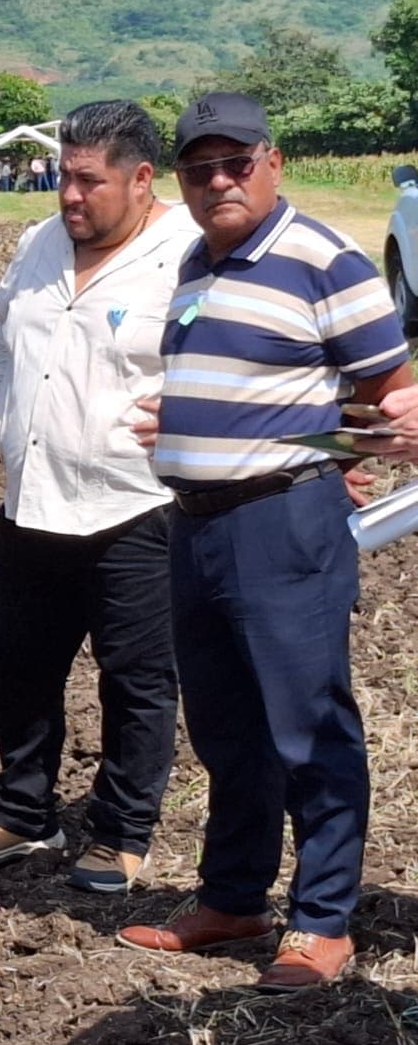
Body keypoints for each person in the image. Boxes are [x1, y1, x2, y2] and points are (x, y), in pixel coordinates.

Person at [118, 92, 414, 991]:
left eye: (236, 163)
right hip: (196, 524)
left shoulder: (325, 260)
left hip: (282, 524)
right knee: (225, 726)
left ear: (272, 163)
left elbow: (390, 402)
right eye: (200, 168)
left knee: (309, 724)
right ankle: (234, 898)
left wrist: (325, 455)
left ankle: (322, 921)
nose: (219, 182)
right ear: (180, 181)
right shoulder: (195, 265)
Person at [0, 101, 198, 893]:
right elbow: (1, 338)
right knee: (19, 663)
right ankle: (24, 812)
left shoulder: (189, 254)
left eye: (90, 182)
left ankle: (120, 834)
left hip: (137, 505)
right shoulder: (38, 244)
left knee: (136, 680)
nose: (71, 196)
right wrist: (8, 420)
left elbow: (230, 359)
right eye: (65, 178)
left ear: (142, 179)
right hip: (32, 499)